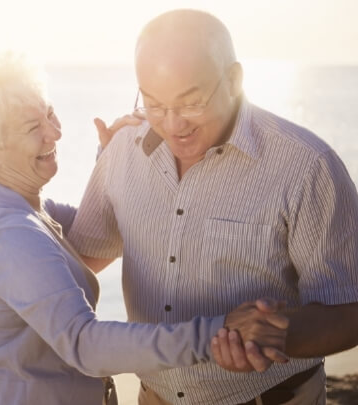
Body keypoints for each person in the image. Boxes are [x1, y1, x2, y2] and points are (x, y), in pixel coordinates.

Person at [0, 51, 289, 405]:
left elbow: (92, 236)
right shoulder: (8, 233)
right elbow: (86, 345)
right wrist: (218, 331)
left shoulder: (7, 204)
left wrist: (113, 163)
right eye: (34, 129)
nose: (55, 133)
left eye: (50, 114)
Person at [69, 9, 358, 405]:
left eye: (190, 103)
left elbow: (348, 311)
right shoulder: (121, 151)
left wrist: (271, 335)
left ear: (235, 80)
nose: (173, 125)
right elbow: (81, 256)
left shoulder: (307, 166)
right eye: (154, 104)